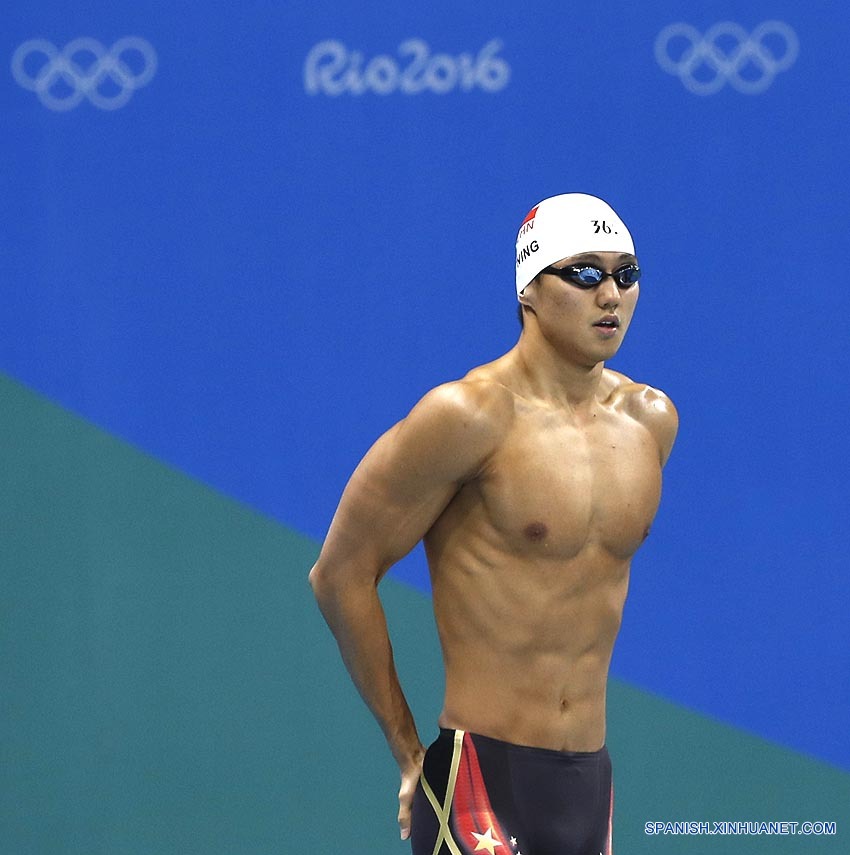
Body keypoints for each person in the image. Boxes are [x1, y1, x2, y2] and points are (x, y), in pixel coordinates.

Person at [309, 193, 678, 855]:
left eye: (626, 273)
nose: (611, 295)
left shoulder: (650, 421)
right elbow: (340, 573)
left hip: (590, 783)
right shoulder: (469, 417)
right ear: (530, 290)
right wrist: (406, 751)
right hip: (480, 780)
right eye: (586, 273)